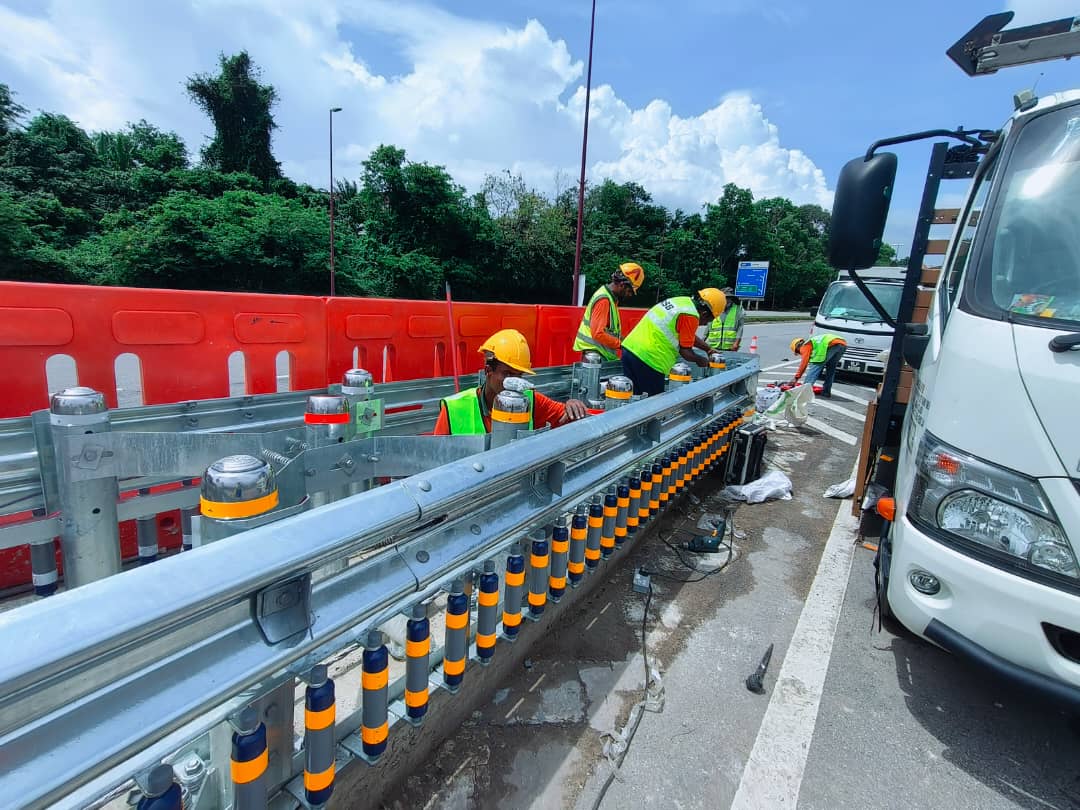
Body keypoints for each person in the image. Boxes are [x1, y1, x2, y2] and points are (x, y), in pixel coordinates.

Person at [434, 329, 589, 435]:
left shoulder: (530, 400)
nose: (514, 382)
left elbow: (566, 415)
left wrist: (572, 404)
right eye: (507, 374)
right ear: (488, 371)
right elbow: (435, 460)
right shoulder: (454, 409)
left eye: (519, 375)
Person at [620, 288, 726, 397]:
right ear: (704, 314)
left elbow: (687, 335)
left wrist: (707, 349)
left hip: (630, 350)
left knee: (634, 399)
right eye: (707, 321)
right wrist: (701, 360)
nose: (703, 324)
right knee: (652, 405)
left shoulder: (682, 302)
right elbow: (686, 352)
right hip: (650, 360)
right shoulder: (691, 315)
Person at [572, 262, 646, 360]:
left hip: (599, 356)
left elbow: (608, 331)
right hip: (595, 358)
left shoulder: (609, 299)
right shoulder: (604, 300)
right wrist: (621, 344)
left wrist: (624, 340)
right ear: (622, 285)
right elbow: (598, 333)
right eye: (630, 291)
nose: (629, 295)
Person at [790, 333, 847, 398]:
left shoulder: (805, 346)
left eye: (798, 352)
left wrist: (796, 377)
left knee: (814, 368)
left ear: (797, 348)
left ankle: (804, 393)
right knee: (831, 369)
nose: (801, 353)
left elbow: (804, 363)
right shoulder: (812, 342)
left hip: (833, 345)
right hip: (842, 344)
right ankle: (826, 392)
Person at [705, 286, 744, 351]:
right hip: (713, 347)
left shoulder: (738, 310)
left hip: (730, 347)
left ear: (732, 299)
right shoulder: (714, 309)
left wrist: (736, 343)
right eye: (724, 298)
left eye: (728, 298)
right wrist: (702, 341)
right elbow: (708, 326)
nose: (726, 300)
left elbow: (740, 328)